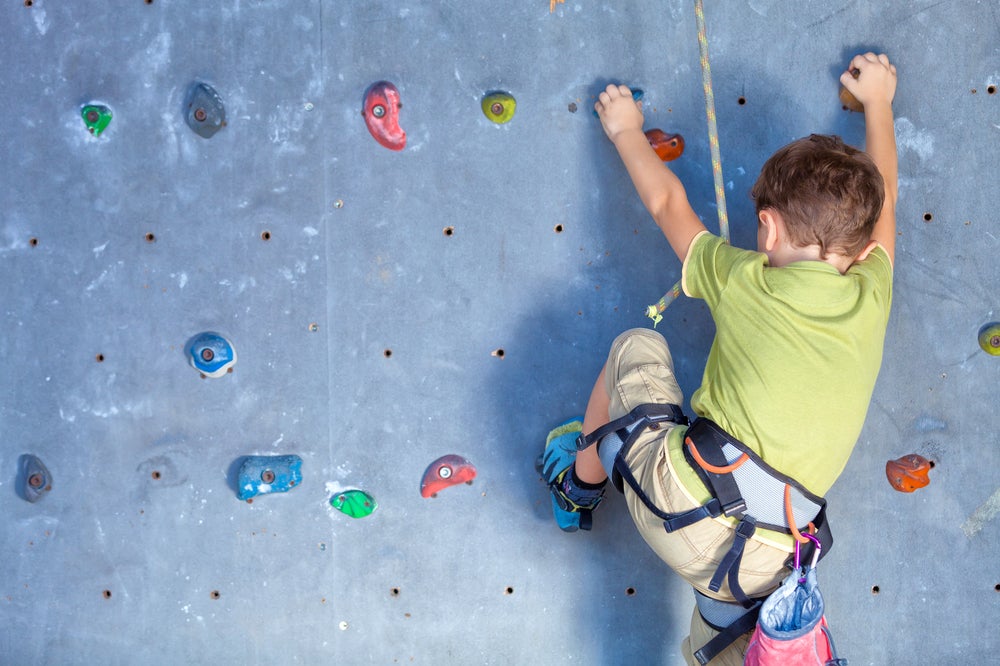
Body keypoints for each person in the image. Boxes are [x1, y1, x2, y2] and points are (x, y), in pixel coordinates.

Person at [539, 53, 898, 664]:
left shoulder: (745, 279)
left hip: (684, 507)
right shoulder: (873, 293)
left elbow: (667, 206)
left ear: (767, 229)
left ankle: (578, 486)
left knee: (635, 347)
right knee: (733, 637)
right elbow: (884, 210)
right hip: (761, 565)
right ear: (863, 250)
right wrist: (881, 103)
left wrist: (625, 127)